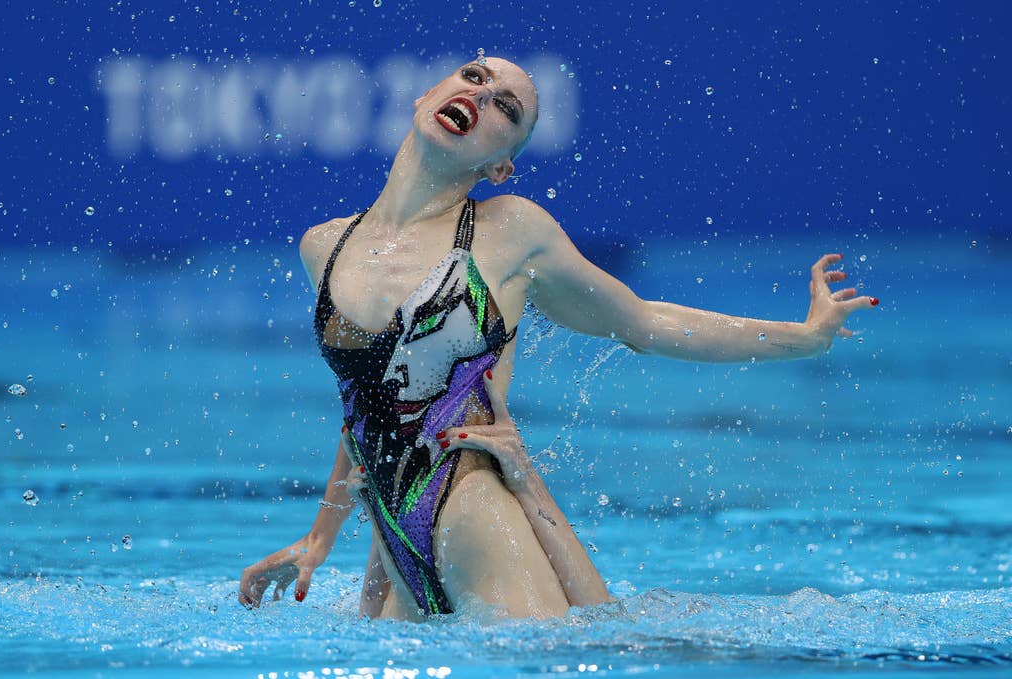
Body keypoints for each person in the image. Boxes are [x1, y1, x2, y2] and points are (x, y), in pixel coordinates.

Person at [238, 56, 878, 620]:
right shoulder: (324, 246)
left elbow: (643, 322)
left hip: (471, 506)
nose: (482, 97)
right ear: (422, 96)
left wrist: (804, 336)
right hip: (390, 544)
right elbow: (366, 404)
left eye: (505, 108)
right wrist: (321, 538)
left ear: (500, 165)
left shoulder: (511, 233)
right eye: (475, 78)